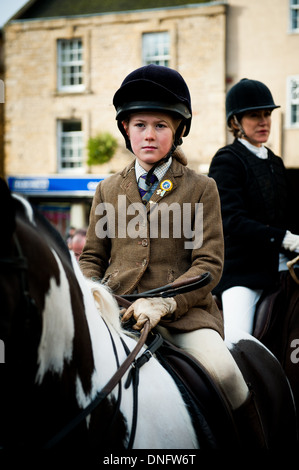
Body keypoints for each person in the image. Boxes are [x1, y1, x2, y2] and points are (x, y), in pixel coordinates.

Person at [79, 65, 267, 448]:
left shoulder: (202, 188)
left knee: (227, 375)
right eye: (140, 125)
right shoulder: (106, 189)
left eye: (161, 126)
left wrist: (165, 303)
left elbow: (209, 266)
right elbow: (92, 259)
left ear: (179, 130)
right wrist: (91, 296)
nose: (149, 134)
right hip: (116, 312)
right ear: (126, 129)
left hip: (185, 317)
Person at [208, 78, 299, 337]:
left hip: (286, 265)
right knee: (239, 341)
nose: (264, 122)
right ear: (236, 122)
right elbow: (231, 220)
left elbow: (291, 215)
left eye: (267, 114)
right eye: (254, 115)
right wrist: (283, 238)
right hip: (245, 274)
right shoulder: (227, 160)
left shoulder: (275, 161)